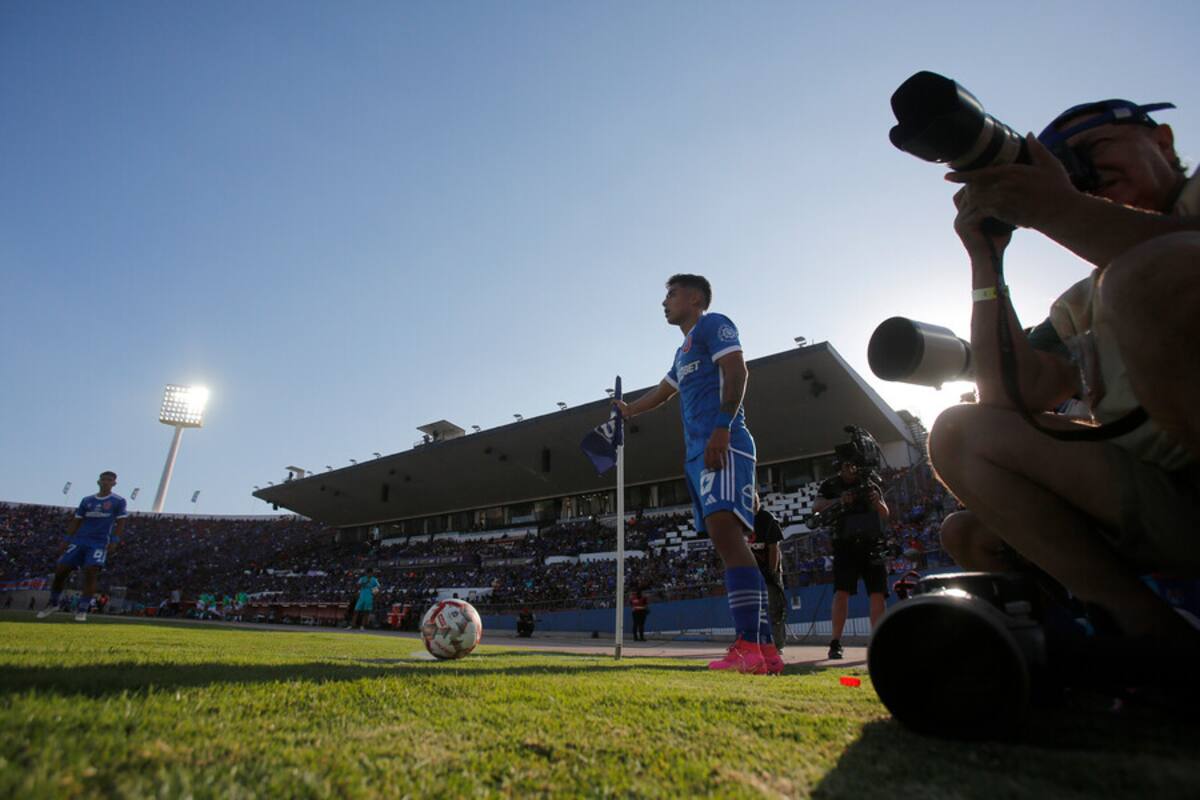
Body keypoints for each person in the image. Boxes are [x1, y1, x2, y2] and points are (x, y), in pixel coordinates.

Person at [933, 97, 1200, 642]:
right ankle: (1150, 636)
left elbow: (1166, 265)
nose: (1086, 172)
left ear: (1164, 142)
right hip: (1171, 498)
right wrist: (986, 259)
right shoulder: (1083, 302)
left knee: (1143, 276)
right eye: (1068, 166)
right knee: (961, 439)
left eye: (1095, 148)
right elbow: (1010, 396)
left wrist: (1057, 208)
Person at [614, 274, 782, 675]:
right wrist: (629, 410)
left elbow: (738, 372)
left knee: (728, 537)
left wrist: (722, 427)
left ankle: (748, 646)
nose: (664, 302)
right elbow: (663, 392)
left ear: (694, 298)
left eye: (671, 294)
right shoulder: (682, 351)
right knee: (726, 542)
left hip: (723, 441)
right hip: (697, 455)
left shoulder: (713, 324)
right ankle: (764, 650)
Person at [813, 459, 889, 659]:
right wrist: (839, 501)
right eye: (847, 466)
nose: (852, 469)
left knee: (878, 593)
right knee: (842, 592)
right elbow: (816, 507)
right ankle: (835, 642)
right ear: (840, 467)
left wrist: (876, 501)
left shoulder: (869, 482)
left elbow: (884, 513)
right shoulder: (830, 485)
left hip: (872, 542)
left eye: (854, 465)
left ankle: (879, 641)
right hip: (845, 544)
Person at [37, 471, 128, 623]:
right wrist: (66, 539)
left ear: (114, 483)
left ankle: (82, 609)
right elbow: (77, 520)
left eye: (109, 480)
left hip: (99, 542)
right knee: (61, 570)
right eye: (103, 479)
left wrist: (115, 540)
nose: (106, 482)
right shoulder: (87, 500)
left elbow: (121, 522)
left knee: (91, 572)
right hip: (79, 540)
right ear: (98, 481)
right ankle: (53, 603)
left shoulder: (118, 501)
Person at [749, 493, 787, 653]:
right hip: (750, 572)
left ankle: (777, 645)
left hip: (769, 571)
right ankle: (753, 644)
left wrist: (771, 572)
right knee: (751, 609)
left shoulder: (767, 519)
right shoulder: (740, 521)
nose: (753, 503)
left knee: (774, 608)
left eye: (754, 500)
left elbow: (774, 548)